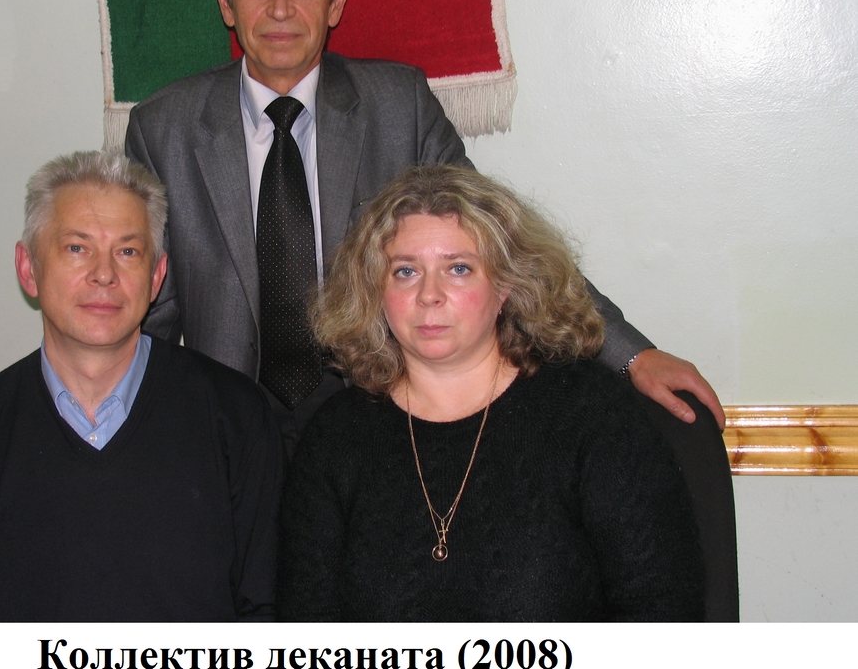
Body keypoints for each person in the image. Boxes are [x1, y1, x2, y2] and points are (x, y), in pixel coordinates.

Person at [125, 0, 721, 455]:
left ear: (336, 1)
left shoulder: (399, 106)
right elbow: (145, 303)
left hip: (375, 414)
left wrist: (633, 355)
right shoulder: (164, 127)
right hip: (224, 429)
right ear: (226, 3)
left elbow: (503, 249)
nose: (280, 9)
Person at [277, 165, 704, 621]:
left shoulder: (591, 413)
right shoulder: (335, 436)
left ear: (505, 287)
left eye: (458, 269)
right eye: (405, 271)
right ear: (374, 291)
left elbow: (664, 618)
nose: (429, 295)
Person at [0, 151, 283, 622]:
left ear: (156, 277)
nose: (104, 274)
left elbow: (267, 613)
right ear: (28, 268)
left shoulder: (237, 417)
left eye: (128, 252)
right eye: (76, 248)